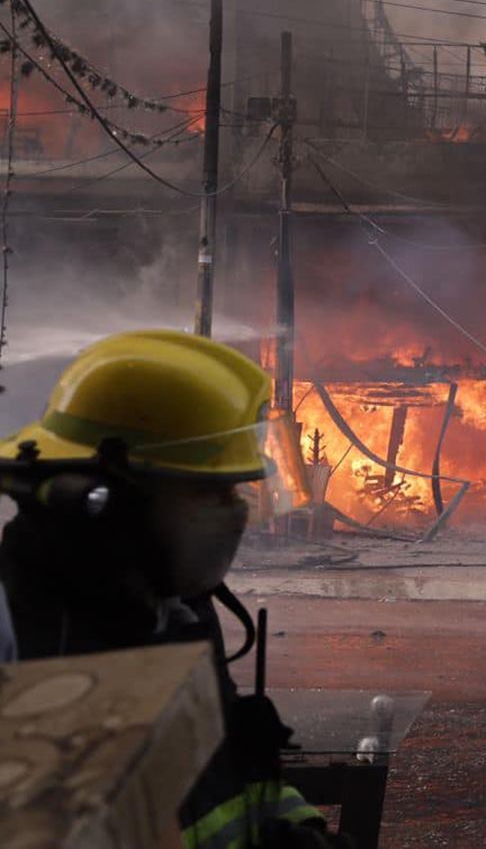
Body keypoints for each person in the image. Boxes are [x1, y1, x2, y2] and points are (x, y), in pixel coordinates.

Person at [0, 330, 346, 847]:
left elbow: (224, 772)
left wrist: (294, 831)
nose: (237, 510)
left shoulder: (175, 606)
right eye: (214, 490)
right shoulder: (23, 638)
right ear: (107, 501)